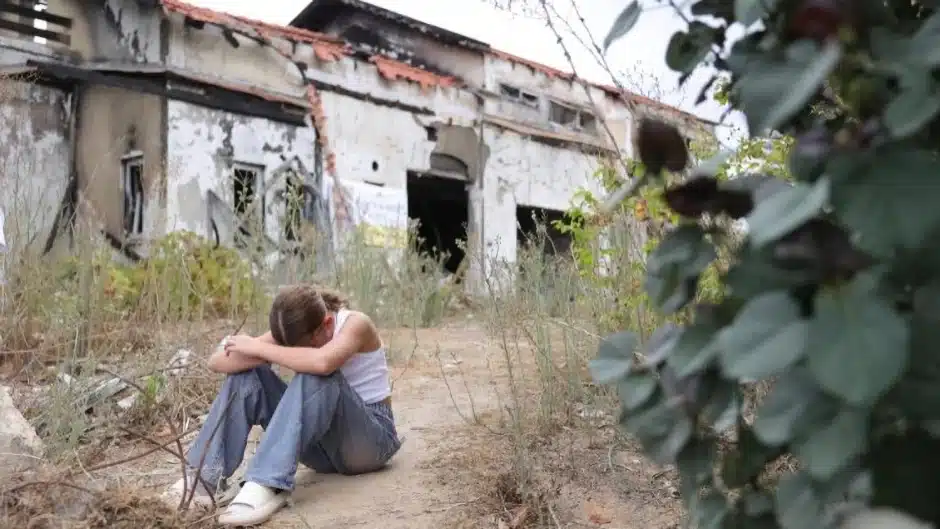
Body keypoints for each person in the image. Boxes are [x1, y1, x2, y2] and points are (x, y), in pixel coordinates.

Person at [163, 284, 402, 526]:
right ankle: (202, 479)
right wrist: (256, 351)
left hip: (369, 444)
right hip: (322, 451)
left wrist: (259, 348)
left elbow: (323, 362)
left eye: (302, 346)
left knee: (318, 374)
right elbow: (217, 362)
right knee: (246, 376)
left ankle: (266, 482)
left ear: (327, 324)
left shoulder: (356, 323)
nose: (295, 352)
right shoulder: (295, 328)